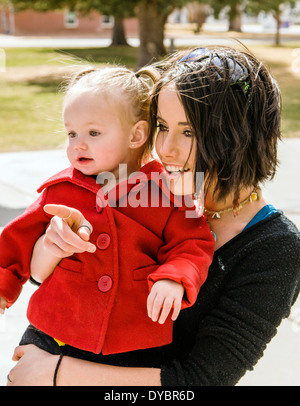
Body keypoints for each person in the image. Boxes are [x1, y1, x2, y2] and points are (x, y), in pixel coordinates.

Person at [7, 45, 300, 386]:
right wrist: (49, 244)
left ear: (238, 137)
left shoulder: (274, 250)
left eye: (188, 131)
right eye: (162, 126)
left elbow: (201, 381)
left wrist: (57, 373)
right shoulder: (138, 189)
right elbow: (56, 286)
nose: (166, 149)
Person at [0, 66, 214, 364]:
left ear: (136, 135)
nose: (78, 144)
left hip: (133, 341)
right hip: (54, 330)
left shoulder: (165, 191)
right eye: (71, 133)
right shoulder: (60, 189)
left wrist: (174, 278)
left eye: (93, 133)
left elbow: (193, 244)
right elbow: (16, 240)